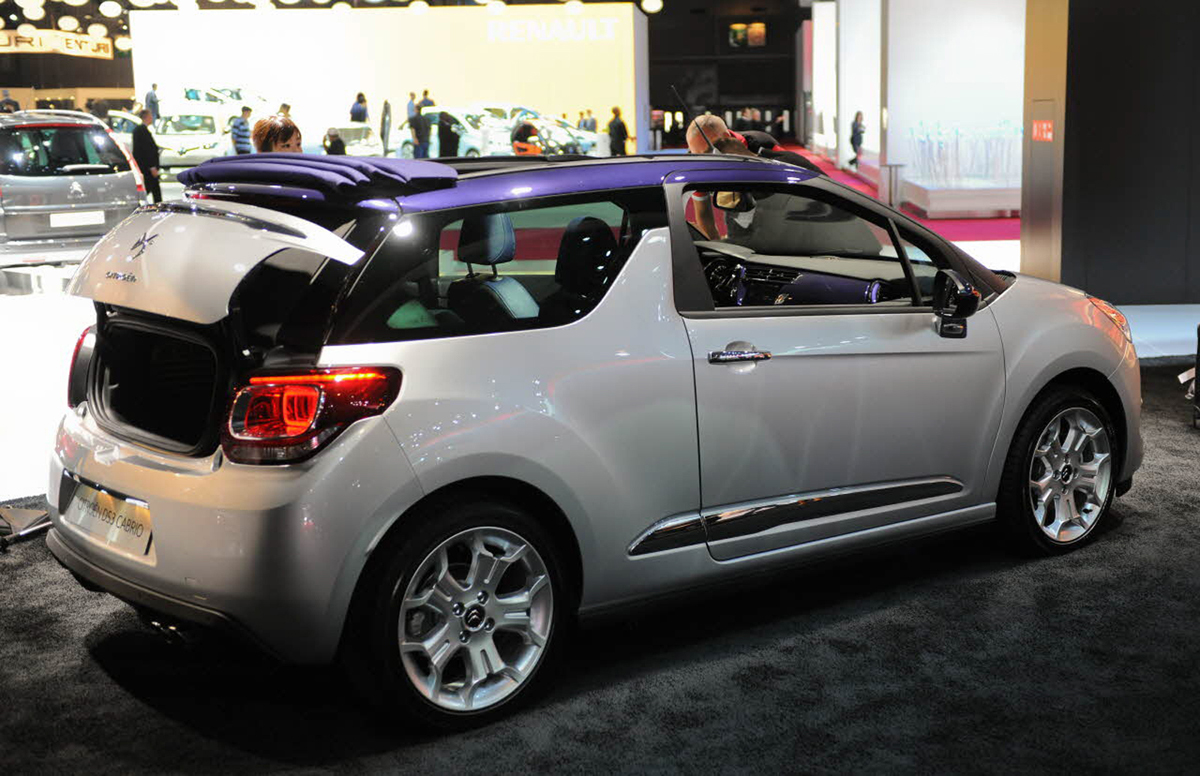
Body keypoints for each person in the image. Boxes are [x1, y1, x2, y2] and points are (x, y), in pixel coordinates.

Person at [131, 109, 162, 204]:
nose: (152, 118)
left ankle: (157, 204)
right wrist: (152, 167)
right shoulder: (142, 130)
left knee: (153, 188)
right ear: (147, 117)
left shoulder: (140, 130)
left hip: (145, 166)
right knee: (150, 187)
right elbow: (146, 150)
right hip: (146, 167)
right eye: (150, 116)